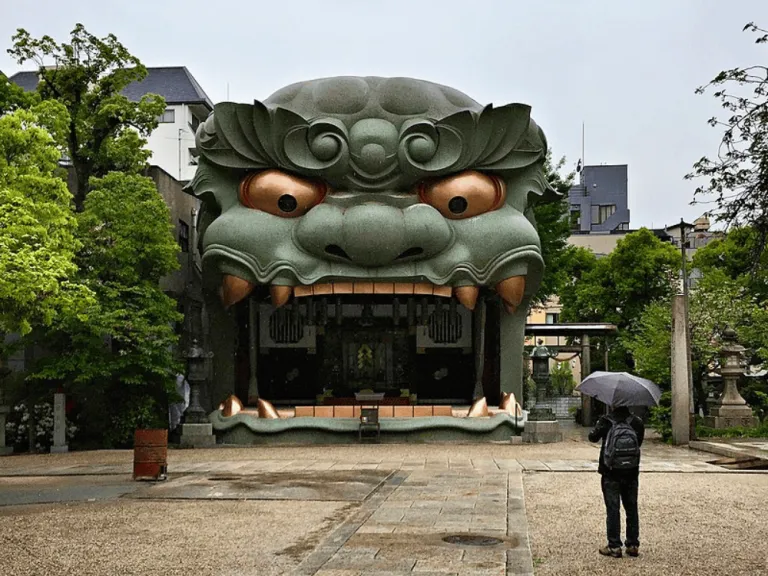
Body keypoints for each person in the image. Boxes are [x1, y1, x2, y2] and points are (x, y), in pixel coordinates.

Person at [588, 405, 645, 558]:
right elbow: (638, 443)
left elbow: (592, 437)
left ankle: (614, 546)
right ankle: (633, 544)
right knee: (631, 507)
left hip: (610, 471)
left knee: (613, 508)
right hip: (631, 471)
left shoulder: (606, 421)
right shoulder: (637, 422)